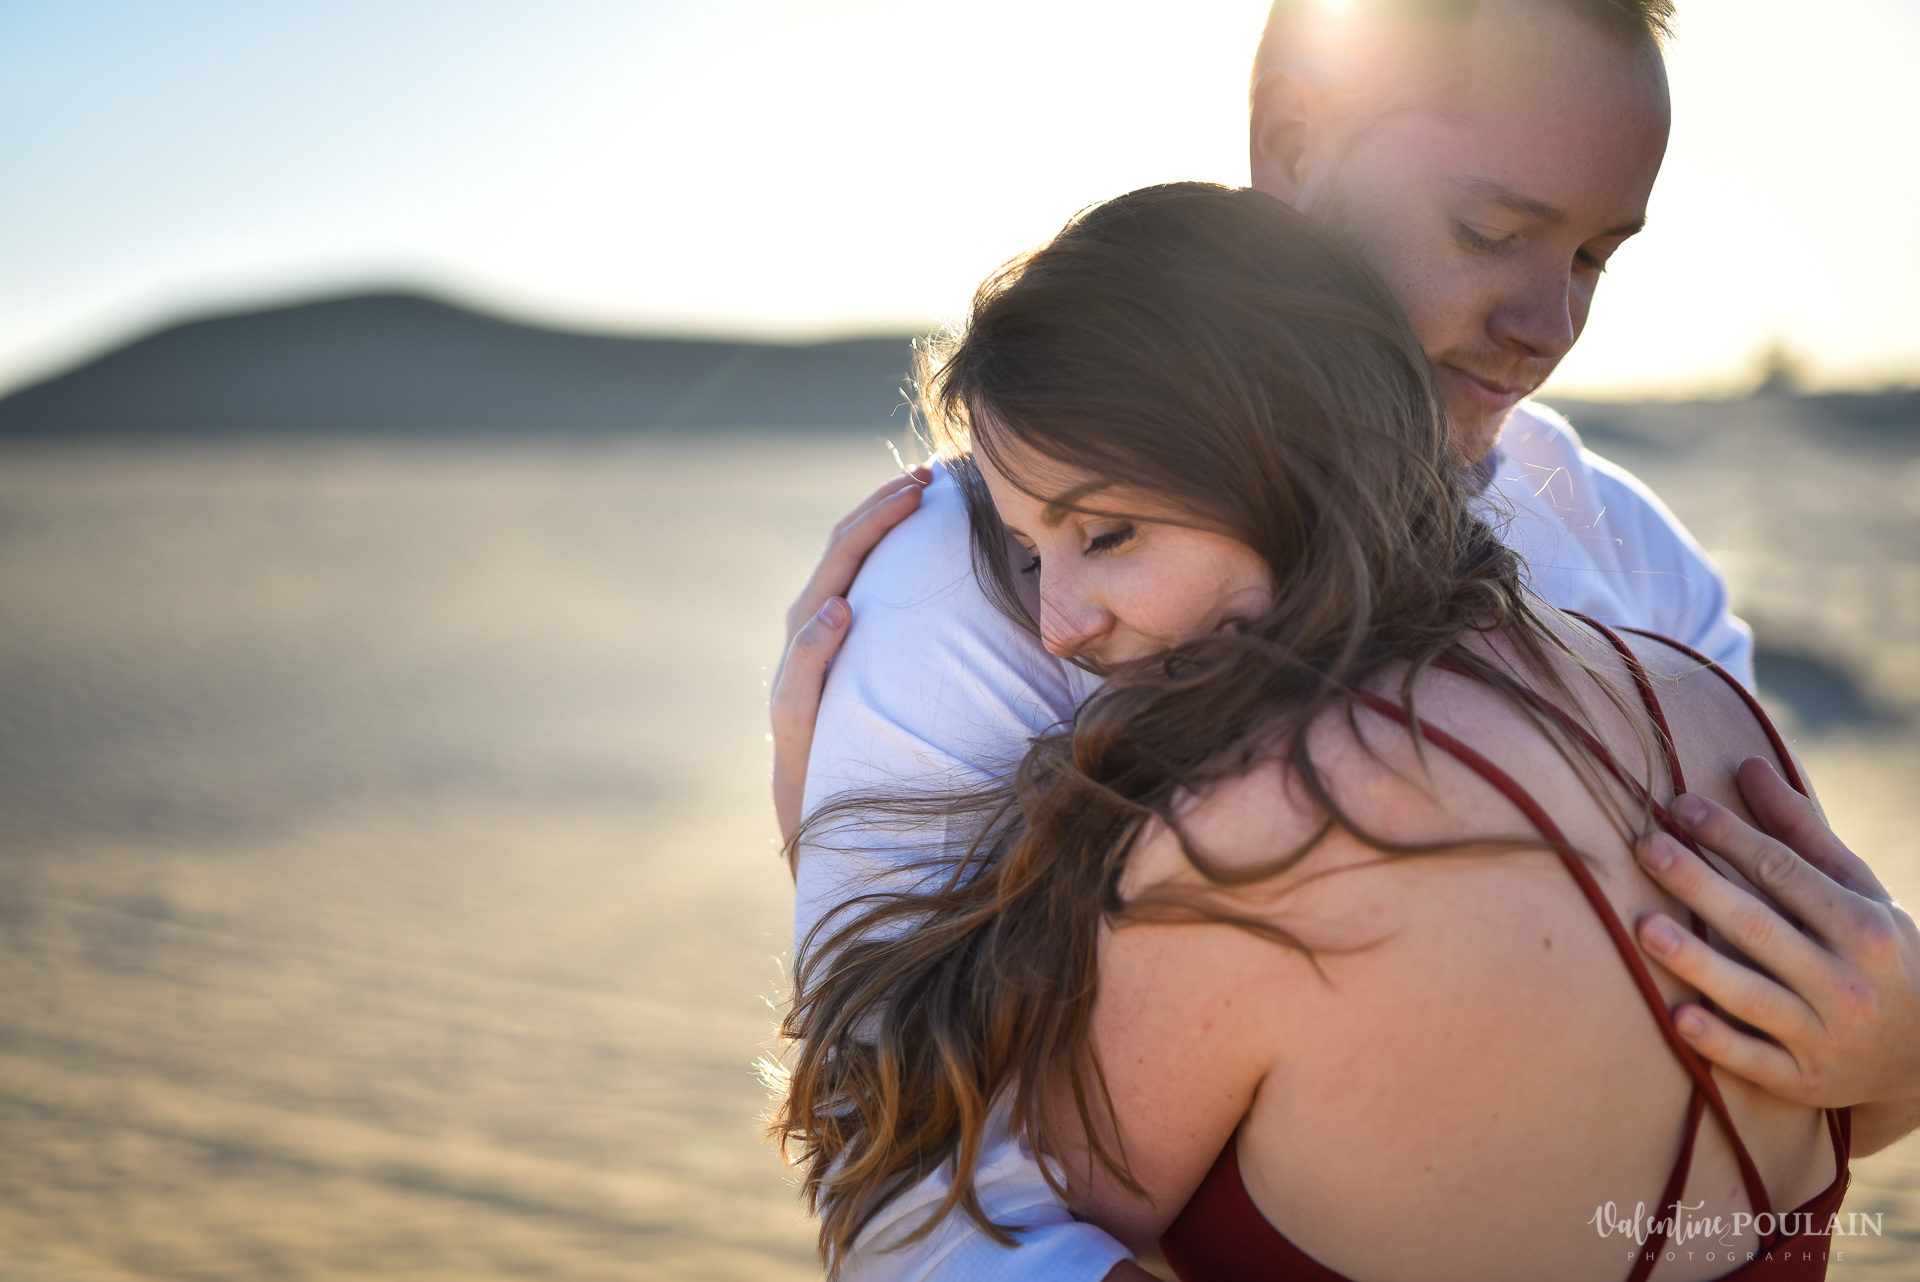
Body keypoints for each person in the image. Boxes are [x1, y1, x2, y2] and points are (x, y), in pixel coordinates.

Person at [769, 2, 1920, 1276]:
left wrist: (1904, 1055)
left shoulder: (1631, 554)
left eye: (1597, 256)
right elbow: (923, 1222)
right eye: (1491, 232)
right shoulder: (962, 584)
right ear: (1296, 141)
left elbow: (1756, 1071)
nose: (1553, 322)